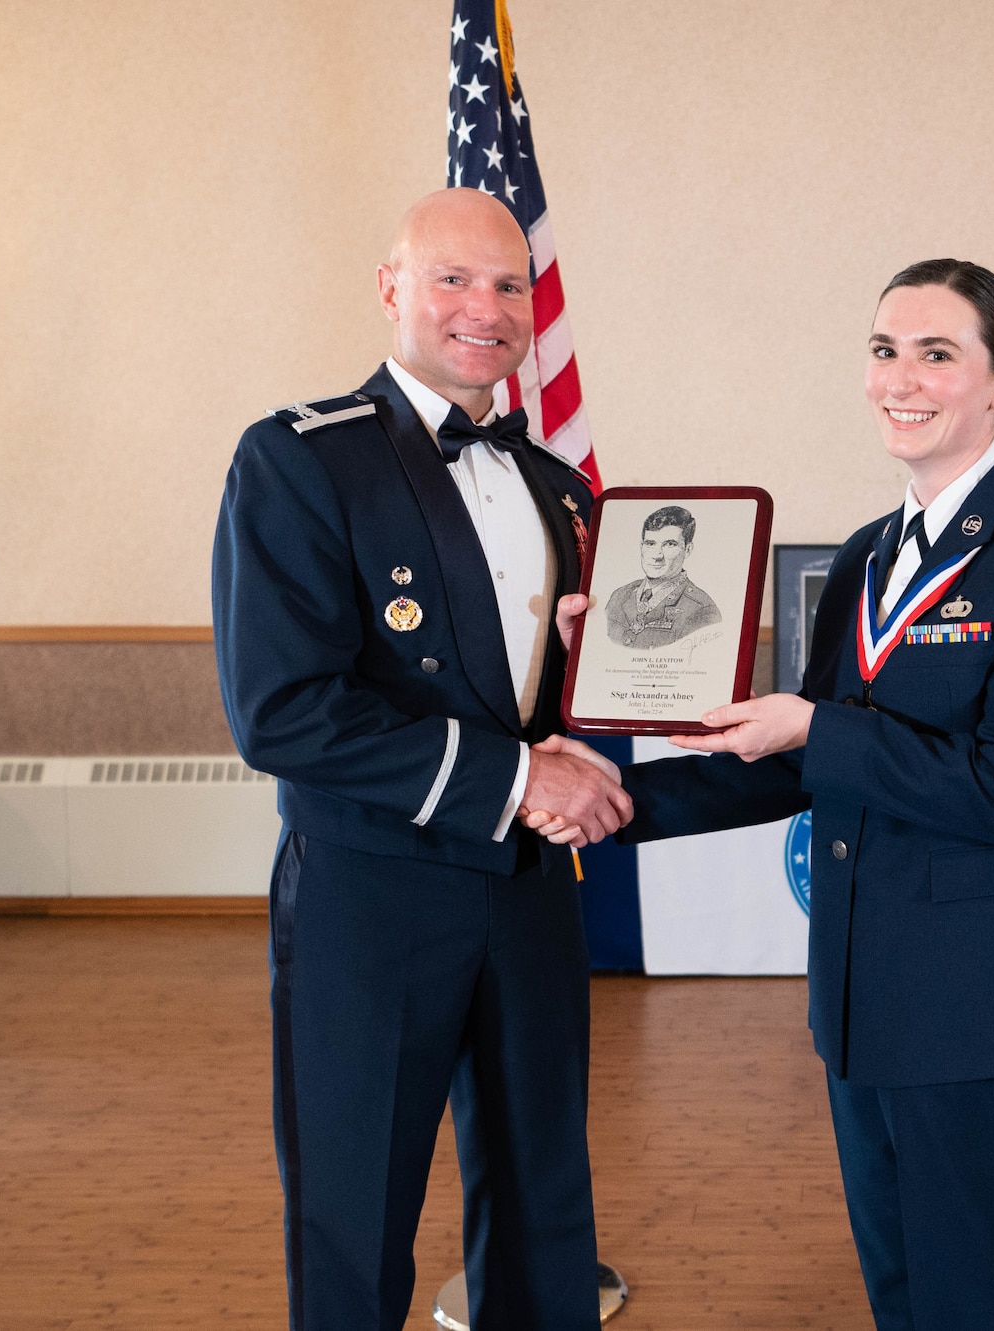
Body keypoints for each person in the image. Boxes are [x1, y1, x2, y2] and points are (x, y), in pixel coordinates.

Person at [531, 259, 994, 1331]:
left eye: (936, 352)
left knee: (975, 1280)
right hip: (862, 981)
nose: (900, 377)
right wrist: (615, 794)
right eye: (883, 349)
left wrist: (815, 725)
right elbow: (795, 758)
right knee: (899, 1274)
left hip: (984, 991)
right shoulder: (864, 555)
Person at [211, 188, 631, 1331]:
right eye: (451, 279)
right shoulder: (298, 460)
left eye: (507, 286)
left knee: (544, 1196)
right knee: (354, 1210)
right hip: (372, 890)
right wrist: (513, 778)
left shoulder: (560, 487)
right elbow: (282, 712)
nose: (482, 309)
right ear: (392, 287)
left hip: (527, 890)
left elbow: (544, 699)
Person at [605, 504, 722, 648]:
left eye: (670, 544)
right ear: (641, 546)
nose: (657, 555)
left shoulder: (702, 610)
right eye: (650, 543)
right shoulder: (619, 596)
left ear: (687, 549)